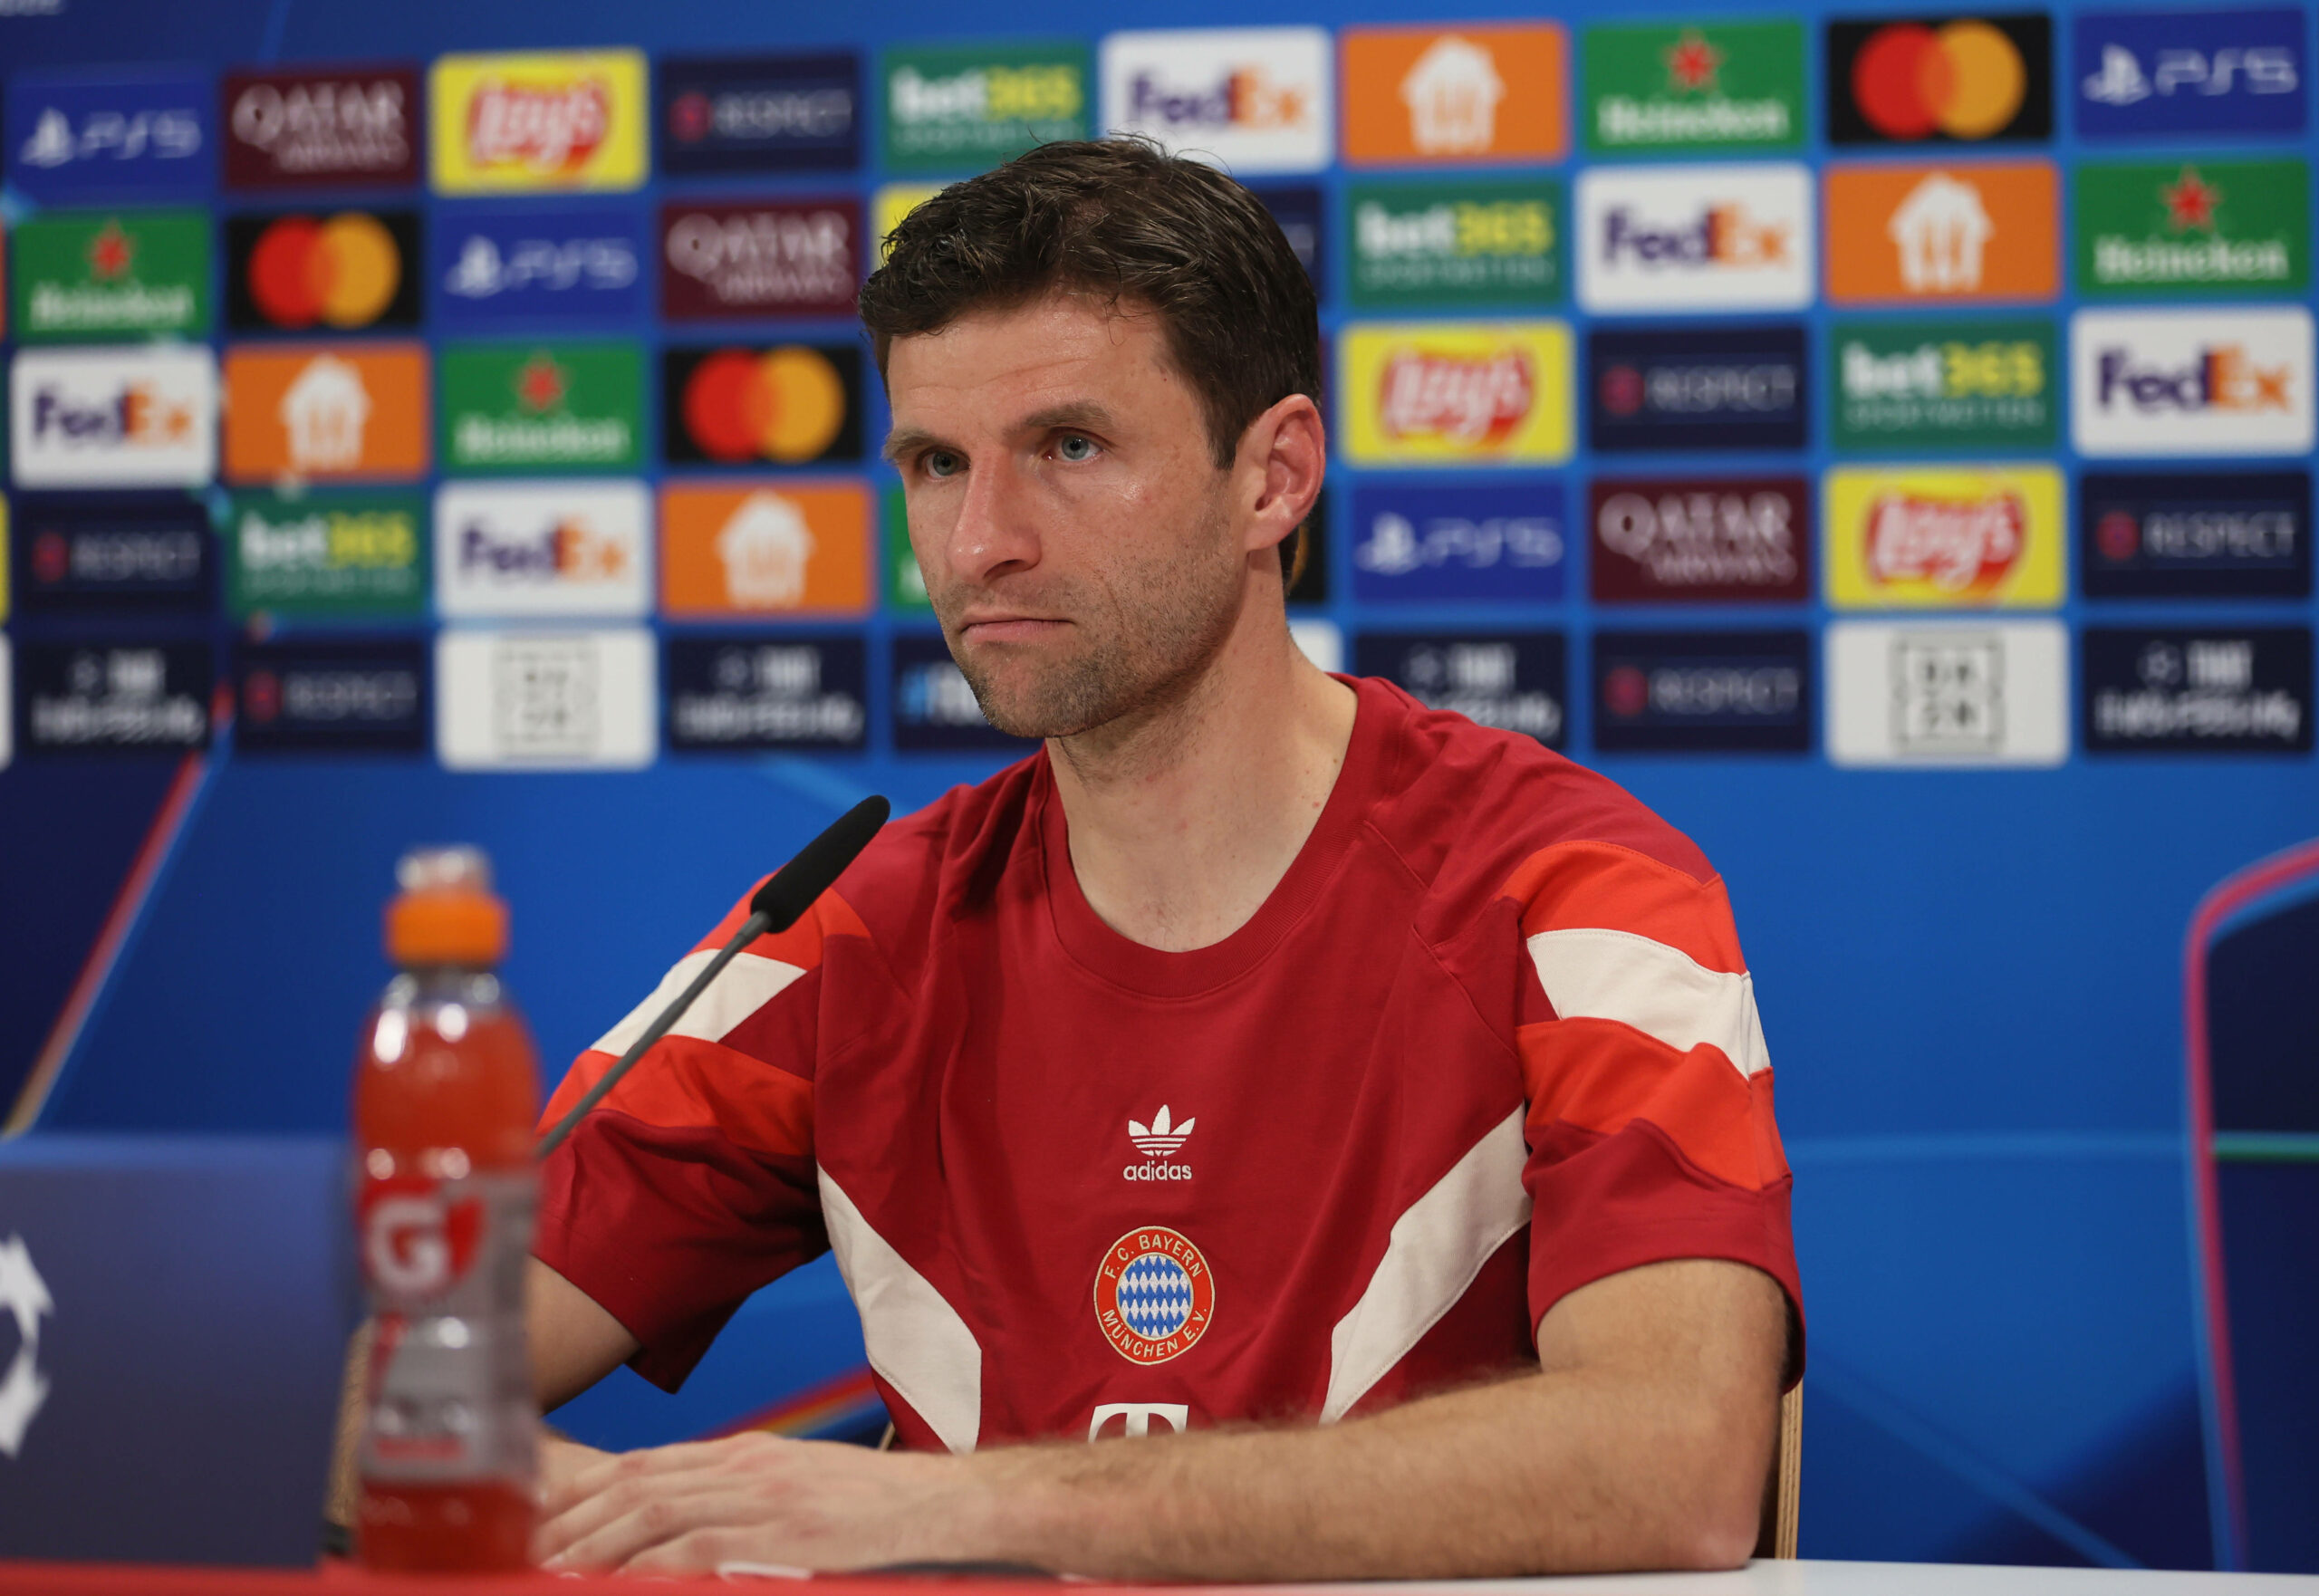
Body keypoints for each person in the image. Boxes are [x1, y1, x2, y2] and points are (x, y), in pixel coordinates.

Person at [528, 137, 1802, 1578]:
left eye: (1071, 447)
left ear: (1276, 475)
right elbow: (398, 1394)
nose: (983, 540)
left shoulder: (1578, 888)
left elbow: (1680, 1462)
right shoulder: (851, 931)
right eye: (938, 464)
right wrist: (646, 1530)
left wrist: (976, 1508)